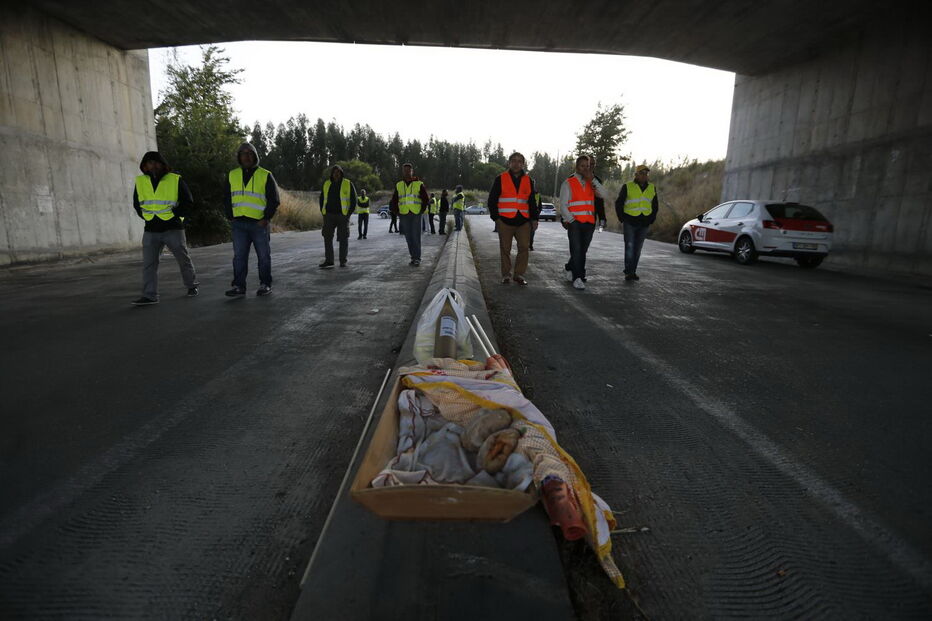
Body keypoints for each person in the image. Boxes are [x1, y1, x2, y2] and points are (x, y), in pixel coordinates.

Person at [131, 151, 199, 305]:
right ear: (145, 166)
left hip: (172, 228)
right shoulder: (140, 181)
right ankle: (149, 295)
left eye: (156, 162)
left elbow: (188, 200)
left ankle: (192, 286)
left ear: (163, 164)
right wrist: (146, 216)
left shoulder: (175, 179)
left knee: (183, 259)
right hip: (151, 229)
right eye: (150, 163)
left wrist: (175, 215)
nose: (153, 165)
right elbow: (136, 203)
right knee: (149, 264)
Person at [224, 142, 280, 297]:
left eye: (250, 153)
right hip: (239, 224)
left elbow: (274, 199)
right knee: (239, 257)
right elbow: (226, 197)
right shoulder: (232, 174)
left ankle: (265, 284)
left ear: (255, 156)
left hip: (258, 224)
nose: (247, 156)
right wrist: (230, 216)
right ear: (239, 157)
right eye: (243, 153)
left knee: (263, 256)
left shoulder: (265, 174)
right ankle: (239, 287)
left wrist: (266, 218)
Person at [558, 155, 613, 290]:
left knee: (582, 250)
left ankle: (570, 269)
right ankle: (578, 277)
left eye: (587, 166)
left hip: (589, 222)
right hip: (574, 222)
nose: (585, 169)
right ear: (576, 167)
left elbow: (605, 195)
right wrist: (570, 220)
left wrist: (592, 180)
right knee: (576, 249)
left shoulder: (593, 182)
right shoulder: (568, 182)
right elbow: (563, 205)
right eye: (582, 166)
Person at [488, 152, 540, 285]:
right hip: (505, 221)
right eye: (514, 161)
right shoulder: (500, 178)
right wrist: (496, 218)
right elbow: (492, 200)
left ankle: (519, 274)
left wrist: (534, 219)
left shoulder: (528, 180)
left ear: (523, 164)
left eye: (519, 161)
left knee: (524, 247)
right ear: (509, 163)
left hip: (523, 221)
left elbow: (532, 202)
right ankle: (506, 275)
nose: (516, 164)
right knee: (505, 249)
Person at [615, 164, 659, 280]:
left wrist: (651, 219)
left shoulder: (652, 187)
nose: (644, 176)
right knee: (629, 246)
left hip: (644, 223)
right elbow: (619, 203)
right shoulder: (627, 186)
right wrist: (622, 218)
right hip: (629, 221)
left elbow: (655, 205)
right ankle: (628, 271)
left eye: (646, 174)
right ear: (636, 175)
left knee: (638, 249)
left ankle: (633, 271)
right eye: (642, 173)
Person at [389, 163, 430, 265]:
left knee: (416, 236)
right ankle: (413, 257)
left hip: (416, 213)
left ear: (412, 171)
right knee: (408, 238)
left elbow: (425, 199)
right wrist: (396, 212)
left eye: (409, 170)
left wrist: (421, 210)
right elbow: (394, 200)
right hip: (404, 214)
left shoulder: (419, 184)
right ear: (403, 172)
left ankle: (417, 258)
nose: (407, 172)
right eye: (405, 170)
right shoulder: (399, 185)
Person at [319, 164, 357, 268]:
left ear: (341, 173)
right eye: (334, 172)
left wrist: (348, 214)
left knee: (343, 238)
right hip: (329, 215)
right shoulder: (327, 183)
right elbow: (322, 198)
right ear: (332, 173)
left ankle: (343, 261)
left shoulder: (348, 183)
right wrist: (323, 212)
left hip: (342, 216)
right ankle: (329, 260)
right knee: (327, 237)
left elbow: (354, 200)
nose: (336, 174)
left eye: (338, 172)